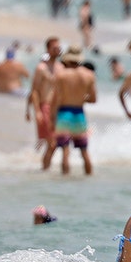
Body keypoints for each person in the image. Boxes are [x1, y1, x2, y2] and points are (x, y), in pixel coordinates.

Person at [50, 45, 97, 175]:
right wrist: (80, 98)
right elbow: (93, 99)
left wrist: (52, 117)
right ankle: (89, 179)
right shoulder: (89, 75)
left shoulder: (61, 75)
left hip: (64, 113)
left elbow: (56, 99)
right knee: (84, 151)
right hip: (79, 113)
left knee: (65, 151)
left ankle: (65, 184)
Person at [28, 36, 63, 166]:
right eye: (54, 48)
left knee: (57, 143)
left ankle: (46, 170)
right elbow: (34, 91)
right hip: (46, 106)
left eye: (59, 48)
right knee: (52, 143)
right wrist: (37, 111)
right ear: (48, 49)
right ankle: (45, 170)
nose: (57, 50)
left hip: (59, 108)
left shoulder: (61, 67)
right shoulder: (41, 68)